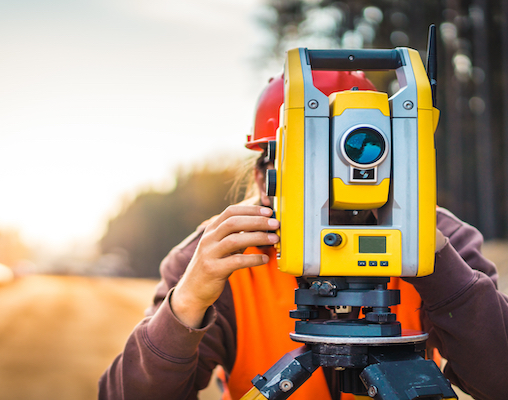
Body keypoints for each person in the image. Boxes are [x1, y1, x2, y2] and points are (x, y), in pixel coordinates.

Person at [99, 71, 508, 400]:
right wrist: (186, 303)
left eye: (357, 157)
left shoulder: (437, 242)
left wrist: (440, 268)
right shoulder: (217, 258)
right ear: (265, 177)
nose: (334, 190)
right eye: (311, 166)